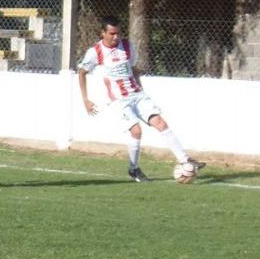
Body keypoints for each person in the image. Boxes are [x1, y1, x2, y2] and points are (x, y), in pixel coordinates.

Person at [77, 15, 206, 182]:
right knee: (136, 131)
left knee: (161, 123)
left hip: (137, 94)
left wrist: (141, 88)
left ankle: (185, 160)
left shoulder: (127, 46)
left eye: (118, 33)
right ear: (103, 33)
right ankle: (134, 169)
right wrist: (85, 100)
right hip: (118, 100)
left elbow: (133, 68)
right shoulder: (95, 52)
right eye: (112, 33)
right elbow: (82, 72)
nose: (116, 37)